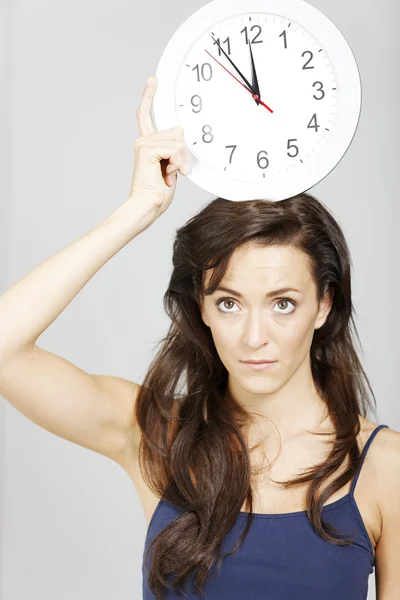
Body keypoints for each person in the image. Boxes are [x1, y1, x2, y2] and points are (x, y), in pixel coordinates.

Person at [0, 76, 398, 600]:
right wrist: (138, 209)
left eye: (283, 304)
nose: (255, 337)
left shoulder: (383, 466)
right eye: (228, 303)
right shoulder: (157, 435)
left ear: (323, 304)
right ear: (201, 309)